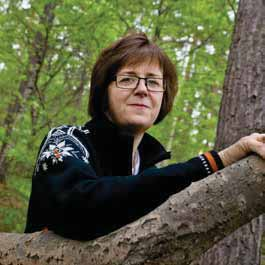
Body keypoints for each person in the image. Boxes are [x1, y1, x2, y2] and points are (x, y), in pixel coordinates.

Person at [24, 32, 265, 241]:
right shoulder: (66, 141)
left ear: (163, 97)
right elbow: (81, 209)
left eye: (152, 82)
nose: (142, 89)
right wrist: (216, 160)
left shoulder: (149, 168)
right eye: (128, 79)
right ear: (103, 91)